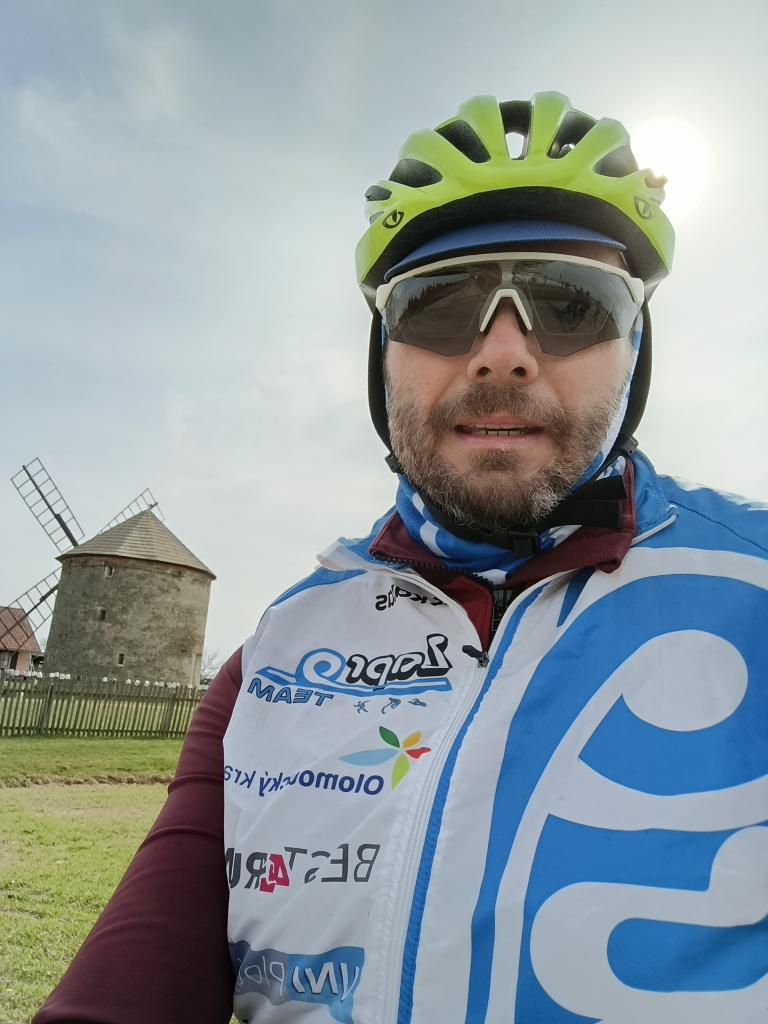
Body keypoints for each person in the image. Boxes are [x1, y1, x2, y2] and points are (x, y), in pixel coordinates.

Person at [35, 91, 768, 1024]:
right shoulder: (274, 657)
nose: (503, 355)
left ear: (635, 350)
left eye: (571, 303)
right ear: (382, 353)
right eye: (441, 304)